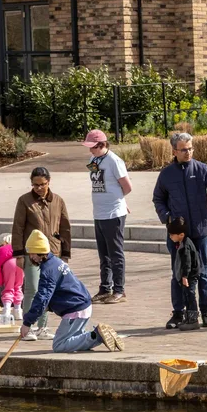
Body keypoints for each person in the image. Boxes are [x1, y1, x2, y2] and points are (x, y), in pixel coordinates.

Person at [152, 131, 207, 329]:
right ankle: (178, 313)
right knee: (178, 273)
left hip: (200, 231)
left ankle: (206, 312)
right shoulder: (166, 174)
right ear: (174, 151)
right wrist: (168, 218)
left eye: (190, 149)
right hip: (178, 234)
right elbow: (158, 199)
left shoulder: (202, 169)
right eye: (183, 150)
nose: (188, 152)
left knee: (202, 272)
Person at [20, 229, 124, 353]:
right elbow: (58, 290)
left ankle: (96, 335)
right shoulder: (56, 262)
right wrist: (50, 306)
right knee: (74, 341)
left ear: (41, 252)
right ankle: (93, 336)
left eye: (32, 253)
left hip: (75, 309)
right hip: (82, 305)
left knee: (59, 345)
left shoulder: (48, 270)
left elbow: (42, 297)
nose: (31, 257)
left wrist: (27, 322)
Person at [12, 167, 71, 340]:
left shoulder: (58, 200)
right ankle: (28, 327)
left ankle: (42, 327)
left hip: (52, 252)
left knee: (47, 290)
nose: (38, 188)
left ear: (49, 182)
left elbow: (65, 227)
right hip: (31, 253)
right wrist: (19, 254)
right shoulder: (24, 201)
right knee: (32, 289)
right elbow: (17, 228)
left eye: (42, 184)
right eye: (35, 185)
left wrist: (65, 253)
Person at [84, 129, 132, 304]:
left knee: (115, 253)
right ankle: (105, 288)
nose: (90, 150)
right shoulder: (94, 160)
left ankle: (119, 290)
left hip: (113, 213)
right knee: (103, 254)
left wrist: (120, 201)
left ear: (102, 145)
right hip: (99, 213)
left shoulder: (114, 161)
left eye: (93, 147)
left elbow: (127, 186)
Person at [167, 216, 202, 331]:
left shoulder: (186, 246)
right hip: (186, 276)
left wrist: (185, 276)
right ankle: (188, 318)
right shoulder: (182, 243)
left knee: (190, 296)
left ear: (181, 234)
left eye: (172, 234)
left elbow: (187, 262)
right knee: (186, 296)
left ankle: (193, 320)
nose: (170, 237)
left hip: (189, 276)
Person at [0, 233, 25, 322]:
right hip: (20, 263)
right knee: (18, 287)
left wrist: (0, 281)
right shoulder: (18, 248)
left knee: (8, 288)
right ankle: (18, 310)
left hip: (8, 264)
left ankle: (6, 310)